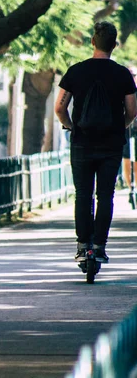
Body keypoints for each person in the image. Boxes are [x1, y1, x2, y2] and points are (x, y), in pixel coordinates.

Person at [55, 21, 137, 264]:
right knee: (105, 195)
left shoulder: (76, 71)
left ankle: (82, 246)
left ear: (93, 42)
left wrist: (71, 126)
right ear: (115, 45)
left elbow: (60, 107)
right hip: (111, 144)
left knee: (83, 194)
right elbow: (132, 111)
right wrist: (118, 126)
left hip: (82, 142)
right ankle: (99, 246)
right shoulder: (123, 74)